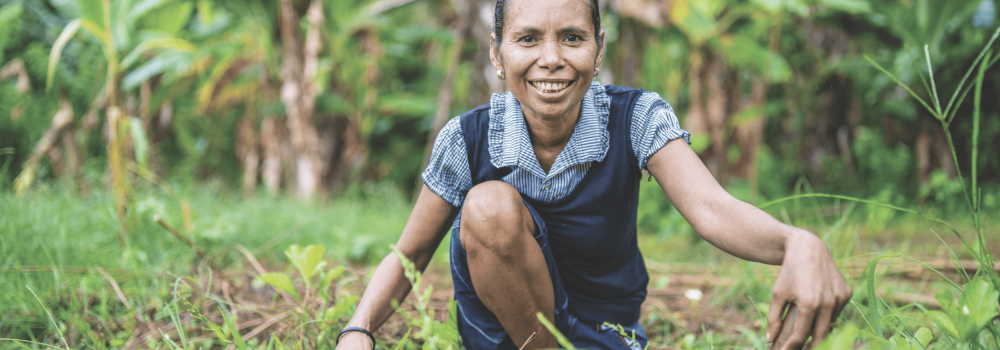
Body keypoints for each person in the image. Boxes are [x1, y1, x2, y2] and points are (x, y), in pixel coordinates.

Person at [336, 0, 852, 348]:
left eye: (573, 38)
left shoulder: (637, 118)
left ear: (599, 50)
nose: (552, 59)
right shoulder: (467, 138)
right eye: (528, 39)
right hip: (509, 340)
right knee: (488, 205)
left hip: (606, 335)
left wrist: (796, 242)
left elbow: (712, 209)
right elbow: (409, 255)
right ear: (497, 53)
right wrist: (357, 331)